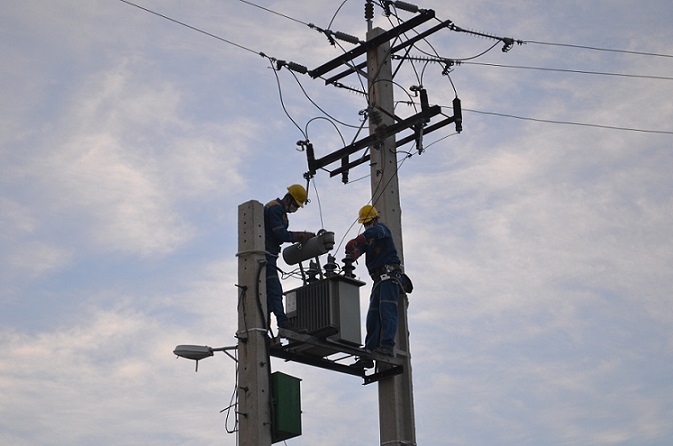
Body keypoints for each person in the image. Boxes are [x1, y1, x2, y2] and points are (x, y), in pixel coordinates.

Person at [345, 204, 403, 368]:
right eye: (365, 223)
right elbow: (361, 247)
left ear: (375, 220)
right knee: (372, 318)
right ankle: (369, 353)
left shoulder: (381, 230)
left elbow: (374, 233)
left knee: (387, 312)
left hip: (390, 277)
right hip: (378, 281)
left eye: (369, 222)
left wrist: (357, 240)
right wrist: (353, 253)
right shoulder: (369, 240)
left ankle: (387, 347)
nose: (367, 225)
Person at [264, 184, 314, 331]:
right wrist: (299, 236)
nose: (296, 209)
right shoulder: (275, 208)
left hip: (270, 255)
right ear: (289, 199)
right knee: (274, 291)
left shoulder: (281, 212)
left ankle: (265, 329)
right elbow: (279, 234)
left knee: (267, 295)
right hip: (265, 255)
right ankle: (282, 322)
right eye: (296, 206)